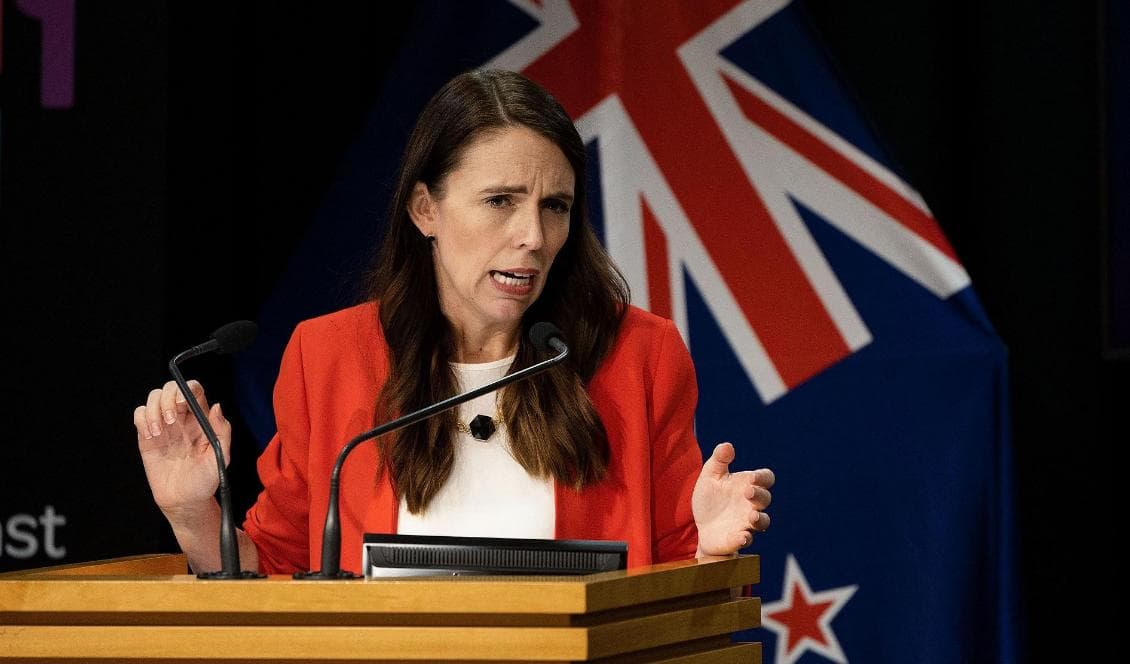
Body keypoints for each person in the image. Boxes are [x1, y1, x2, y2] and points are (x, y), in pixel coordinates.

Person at [133, 69, 774, 575]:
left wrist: (708, 555)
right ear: (425, 208)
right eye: (500, 201)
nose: (533, 236)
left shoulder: (637, 355)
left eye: (555, 207)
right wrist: (193, 514)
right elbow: (277, 573)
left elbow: (672, 583)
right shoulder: (329, 357)